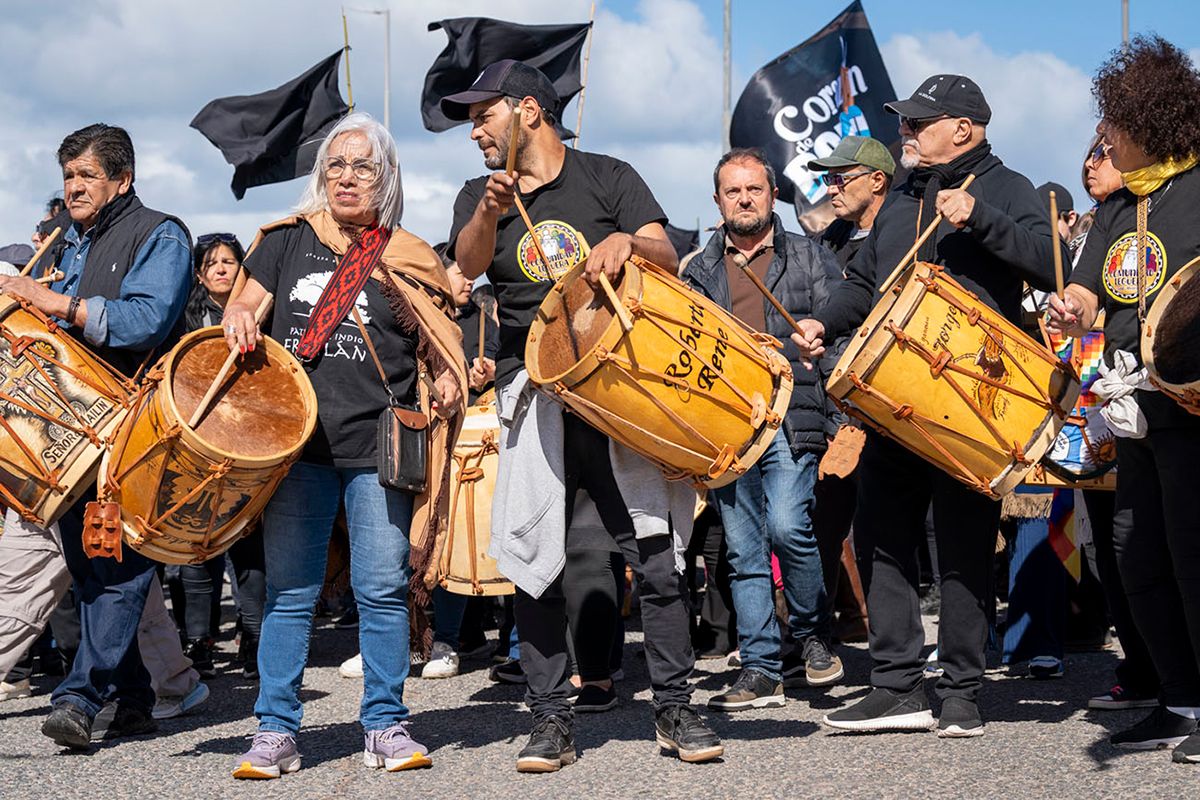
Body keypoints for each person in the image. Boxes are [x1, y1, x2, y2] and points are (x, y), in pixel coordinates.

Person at [444, 59, 722, 771]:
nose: (475, 130)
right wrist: (489, 211)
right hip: (531, 390)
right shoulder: (480, 194)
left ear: (529, 110)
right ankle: (549, 720)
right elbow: (467, 267)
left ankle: (676, 709)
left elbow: (667, 249)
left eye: (485, 115)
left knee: (656, 558)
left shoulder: (608, 175)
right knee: (535, 563)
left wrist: (630, 242)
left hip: (616, 389)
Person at [792, 75, 1061, 737]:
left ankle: (963, 692)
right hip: (894, 401)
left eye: (918, 124)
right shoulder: (904, 195)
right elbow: (862, 282)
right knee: (881, 536)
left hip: (972, 400)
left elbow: (1051, 266)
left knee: (965, 546)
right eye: (906, 124)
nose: (905, 134)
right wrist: (823, 324)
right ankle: (897, 686)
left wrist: (984, 219)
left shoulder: (1007, 187)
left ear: (963, 129)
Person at [223, 112, 465, 779]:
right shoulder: (284, 241)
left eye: (362, 166)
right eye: (336, 164)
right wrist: (240, 317)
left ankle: (385, 723)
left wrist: (446, 381)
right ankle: (275, 731)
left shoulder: (407, 254)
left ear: (386, 178)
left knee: (381, 588)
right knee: (290, 591)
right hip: (296, 445)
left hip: (377, 445)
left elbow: (438, 349)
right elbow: (241, 307)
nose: (347, 177)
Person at [0, 123, 195, 750]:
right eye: (68, 177)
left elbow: (146, 319)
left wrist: (53, 304)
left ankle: (80, 697)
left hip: (136, 427)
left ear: (122, 180)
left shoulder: (161, 233)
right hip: (77, 424)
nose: (74, 187)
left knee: (116, 562)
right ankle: (135, 699)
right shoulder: (70, 241)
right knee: (91, 568)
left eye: (87, 175)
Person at [1046, 35, 1200, 763]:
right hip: (1132, 410)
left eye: (1117, 125)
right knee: (1133, 557)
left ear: (1154, 122)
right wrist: (1069, 311)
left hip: (1191, 408)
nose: (1104, 138)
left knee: (1194, 557)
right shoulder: (1119, 206)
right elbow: (1089, 291)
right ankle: (1179, 701)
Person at [680, 148, 844, 711]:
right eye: (733, 191)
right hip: (728, 422)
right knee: (744, 549)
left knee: (784, 525)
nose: (745, 198)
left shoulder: (810, 256)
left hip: (792, 414)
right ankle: (760, 668)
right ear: (718, 201)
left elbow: (839, 339)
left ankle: (813, 635)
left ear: (772, 195)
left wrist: (837, 411)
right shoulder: (698, 271)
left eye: (754, 188)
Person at [1069, 134, 1159, 712]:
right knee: (1120, 544)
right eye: (1091, 149)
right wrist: (1072, 310)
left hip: (1164, 389)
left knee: (1165, 544)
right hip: (1109, 402)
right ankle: (1151, 675)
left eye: (1105, 149)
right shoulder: (1104, 221)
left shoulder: (1173, 201)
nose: (1093, 161)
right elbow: (1083, 303)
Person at [174, 232, 267, 681]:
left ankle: (254, 636)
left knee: (248, 546)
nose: (222, 269)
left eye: (230, 261)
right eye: (212, 264)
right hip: (197, 446)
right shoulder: (185, 323)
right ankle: (198, 639)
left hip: (249, 444)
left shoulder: (264, 314)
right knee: (197, 548)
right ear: (199, 275)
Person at [813, 135, 896, 269]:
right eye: (829, 179)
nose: (830, 190)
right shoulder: (829, 238)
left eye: (839, 179)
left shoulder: (900, 238)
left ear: (877, 181)